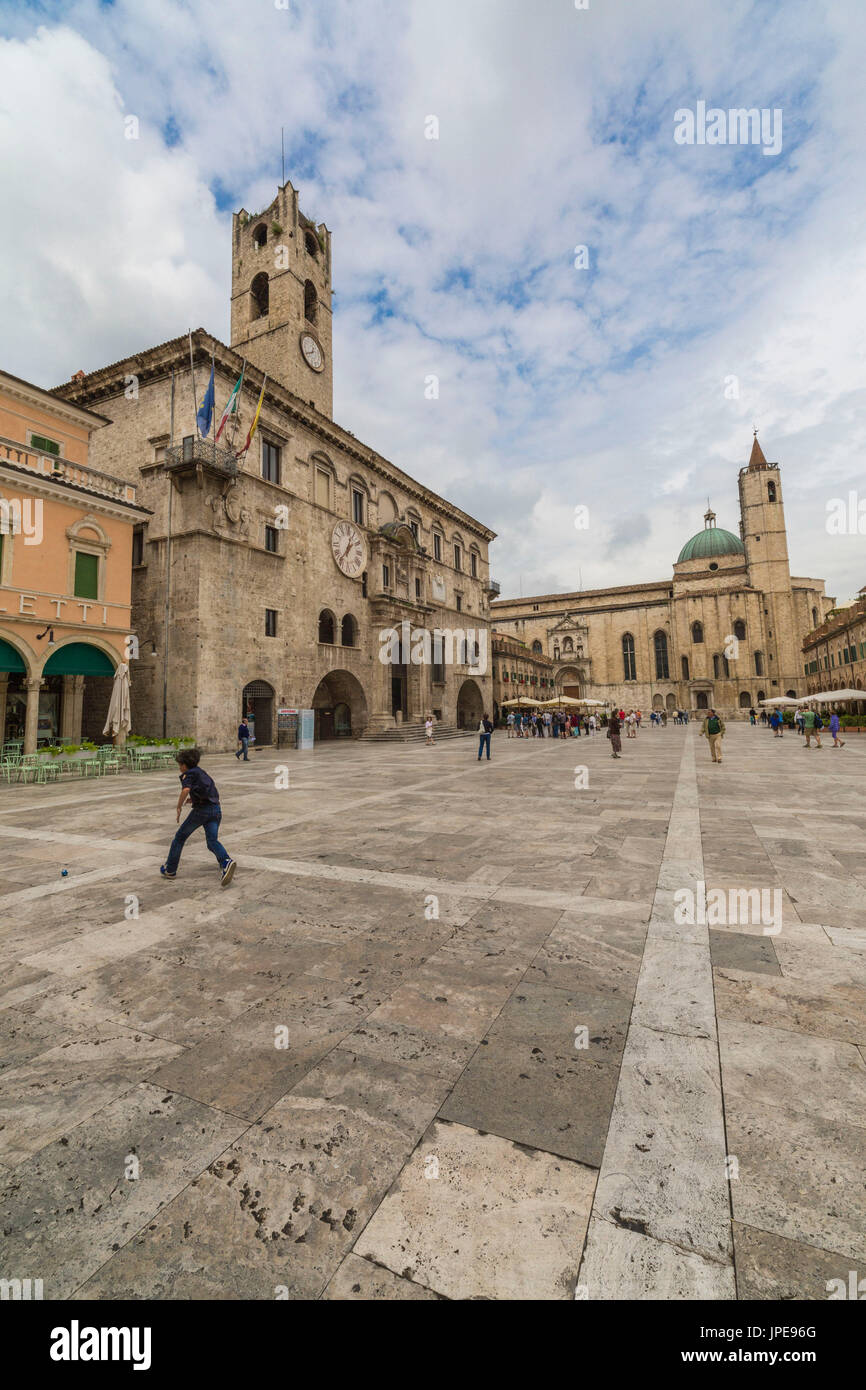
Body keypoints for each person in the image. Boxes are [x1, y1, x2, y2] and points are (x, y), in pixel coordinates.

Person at [161, 748, 235, 885]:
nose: (179, 767)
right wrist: (193, 800)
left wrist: (179, 806)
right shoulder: (201, 772)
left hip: (202, 811)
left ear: (184, 765)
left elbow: (186, 789)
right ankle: (226, 862)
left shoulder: (188, 774)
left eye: (180, 765)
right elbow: (206, 790)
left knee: (179, 837)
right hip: (216, 809)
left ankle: (170, 869)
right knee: (212, 841)